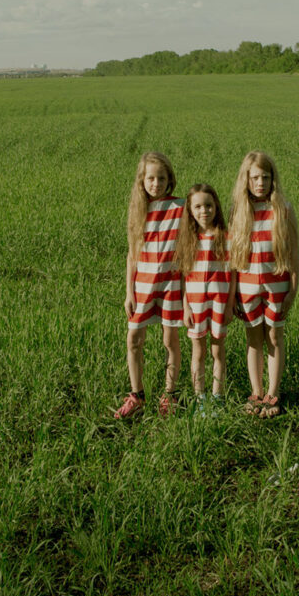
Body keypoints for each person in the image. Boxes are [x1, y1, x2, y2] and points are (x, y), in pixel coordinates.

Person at [229, 151, 299, 418]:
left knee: (274, 336)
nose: (260, 183)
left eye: (266, 177)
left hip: (277, 284)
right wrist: (234, 292)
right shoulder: (239, 211)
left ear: (273, 180)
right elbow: (234, 256)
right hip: (247, 285)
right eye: (255, 177)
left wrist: (292, 291)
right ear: (246, 180)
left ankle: (273, 394)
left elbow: (293, 255)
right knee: (253, 338)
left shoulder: (284, 209)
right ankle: (256, 393)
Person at [115, 152, 184, 418]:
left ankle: (170, 394)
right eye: (151, 178)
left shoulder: (180, 207)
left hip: (170, 285)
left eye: (161, 178)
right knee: (134, 338)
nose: (156, 183)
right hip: (142, 284)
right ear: (142, 180)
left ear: (170, 180)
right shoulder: (137, 210)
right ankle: (137, 394)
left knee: (170, 339)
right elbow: (132, 254)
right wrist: (128, 293)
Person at [175, 184, 235, 406]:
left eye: (209, 205)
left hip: (219, 303)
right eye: (198, 206)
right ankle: (200, 399)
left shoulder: (225, 238)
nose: (204, 211)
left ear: (216, 207)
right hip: (195, 304)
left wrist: (230, 305)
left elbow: (232, 273)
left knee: (218, 351)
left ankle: (218, 398)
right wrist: (185, 307)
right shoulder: (188, 239)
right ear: (190, 209)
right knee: (198, 352)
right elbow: (182, 276)